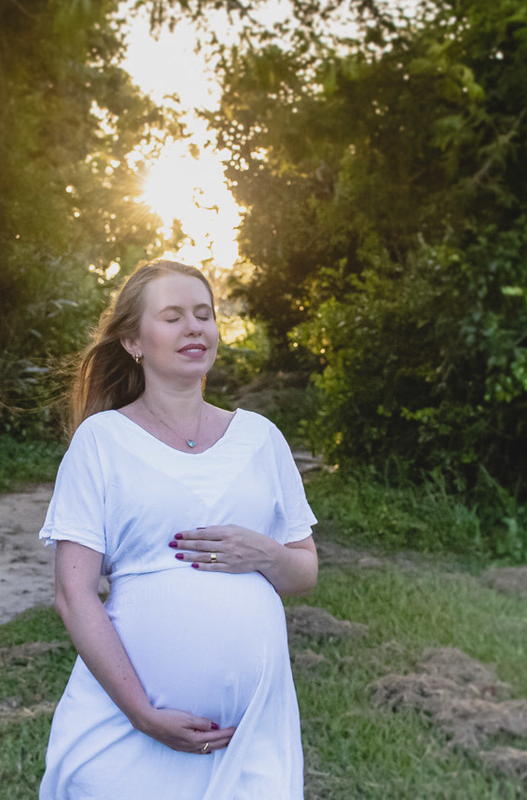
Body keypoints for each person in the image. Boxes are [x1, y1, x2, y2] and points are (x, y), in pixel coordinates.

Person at [38, 260, 318, 799]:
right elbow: (74, 595)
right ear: (133, 341)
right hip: (125, 730)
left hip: (251, 738)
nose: (195, 327)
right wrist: (142, 714)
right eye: (172, 316)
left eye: (204, 315)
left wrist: (263, 553)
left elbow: (303, 571)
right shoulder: (102, 441)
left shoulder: (260, 438)